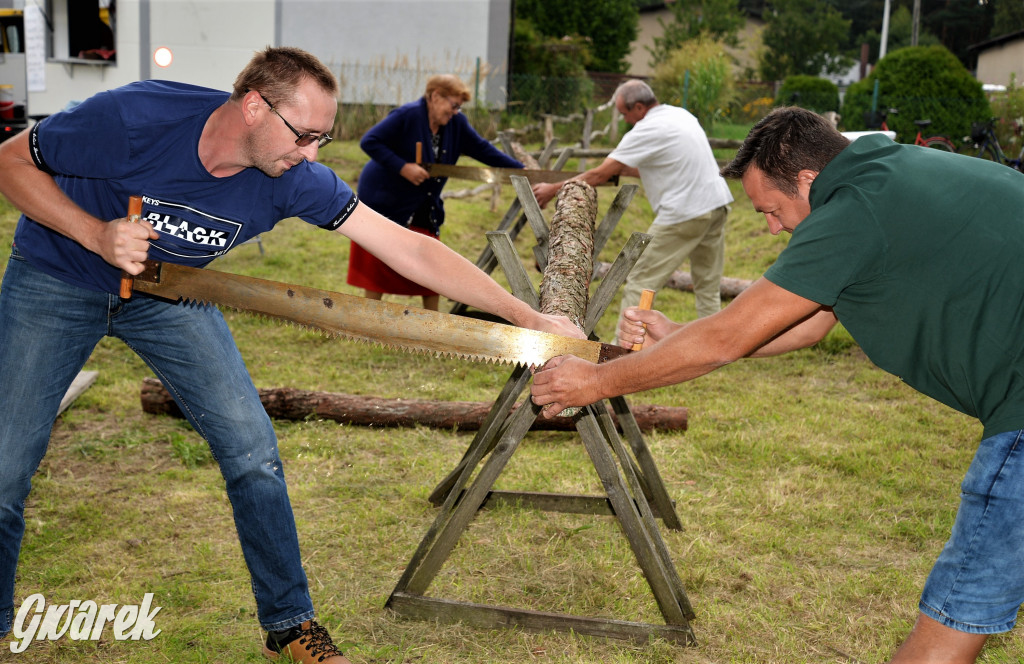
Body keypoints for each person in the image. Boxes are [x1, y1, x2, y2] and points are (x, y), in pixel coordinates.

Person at [0, 47, 581, 663]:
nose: (310, 154)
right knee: (8, 465)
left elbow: (407, 250)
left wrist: (528, 319)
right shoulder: (133, 117)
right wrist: (95, 233)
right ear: (254, 106)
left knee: (253, 454)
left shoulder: (293, 176)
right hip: (55, 278)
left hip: (169, 294)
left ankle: (290, 625)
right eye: (304, 135)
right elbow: (10, 161)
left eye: (323, 139)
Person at [530, 106, 1024, 664]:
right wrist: (679, 334)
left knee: (950, 625)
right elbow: (810, 322)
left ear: (810, 180)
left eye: (771, 209)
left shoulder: (852, 210)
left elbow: (727, 340)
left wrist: (594, 381)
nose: (771, 227)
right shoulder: (896, 171)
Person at [532, 79, 733, 322]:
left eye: (624, 113)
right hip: (717, 204)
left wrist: (552, 189)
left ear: (638, 107)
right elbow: (665, 166)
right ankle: (713, 348)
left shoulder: (646, 128)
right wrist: (622, 171)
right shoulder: (679, 115)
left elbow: (599, 173)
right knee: (708, 287)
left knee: (640, 282)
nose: (625, 120)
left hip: (685, 211)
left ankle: (625, 350)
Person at [348, 74, 524, 311]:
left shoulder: (456, 123)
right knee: (378, 262)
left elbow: (481, 149)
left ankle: (432, 322)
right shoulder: (406, 115)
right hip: (385, 198)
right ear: (436, 96)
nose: (455, 111)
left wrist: (521, 170)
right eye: (454, 105)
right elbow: (370, 141)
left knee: (430, 261)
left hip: (423, 201)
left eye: (459, 107)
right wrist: (403, 167)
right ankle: (368, 322)